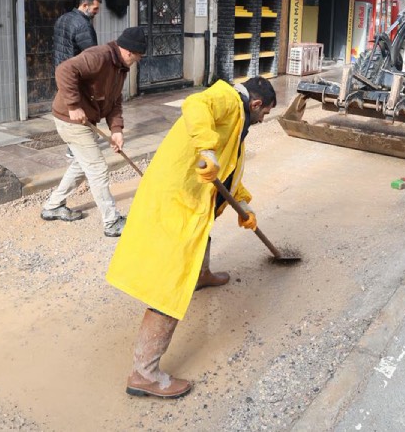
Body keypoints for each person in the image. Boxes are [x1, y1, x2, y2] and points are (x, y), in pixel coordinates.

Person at [106, 76, 277, 399]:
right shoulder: (226, 99)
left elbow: (227, 171)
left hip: (192, 201)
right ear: (256, 104)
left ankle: (202, 274)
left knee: (201, 240)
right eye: (265, 113)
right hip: (176, 200)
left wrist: (243, 204)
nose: (263, 119)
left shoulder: (239, 122)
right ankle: (144, 373)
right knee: (171, 285)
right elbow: (194, 104)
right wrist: (206, 149)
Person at [40, 26, 146, 234]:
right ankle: (111, 222)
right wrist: (73, 105)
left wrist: (116, 130)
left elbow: (115, 101)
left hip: (84, 120)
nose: (137, 62)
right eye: (137, 58)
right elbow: (64, 70)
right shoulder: (99, 56)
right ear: (128, 52)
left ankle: (53, 206)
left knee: (82, 164)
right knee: (97, 168)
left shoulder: (120, 69)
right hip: (69, 120)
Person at [53, 0, 102, 69]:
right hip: (74, 73)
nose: (97, 12)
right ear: (85, 5)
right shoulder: (84, 25)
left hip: (60, 71)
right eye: (95, 8)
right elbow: (92, 55)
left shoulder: (62, 18)